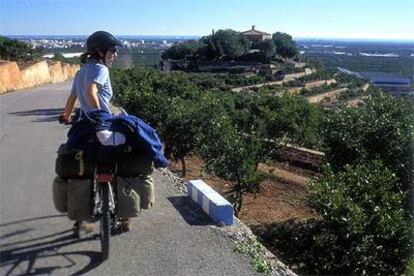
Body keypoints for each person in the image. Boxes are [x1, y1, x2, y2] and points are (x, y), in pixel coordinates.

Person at [60, 31, 134, 235]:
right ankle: (125, 214)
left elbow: (73, 96)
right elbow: (92, 92)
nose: (115, 55)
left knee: (85, 167)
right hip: (103, 124)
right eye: (112, 51)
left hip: (84, 126)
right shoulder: (101, 69)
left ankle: (80, 218)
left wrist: (66, 116)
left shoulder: (81, 71)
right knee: (123, 160)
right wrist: (102, 116)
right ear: (100, 52)